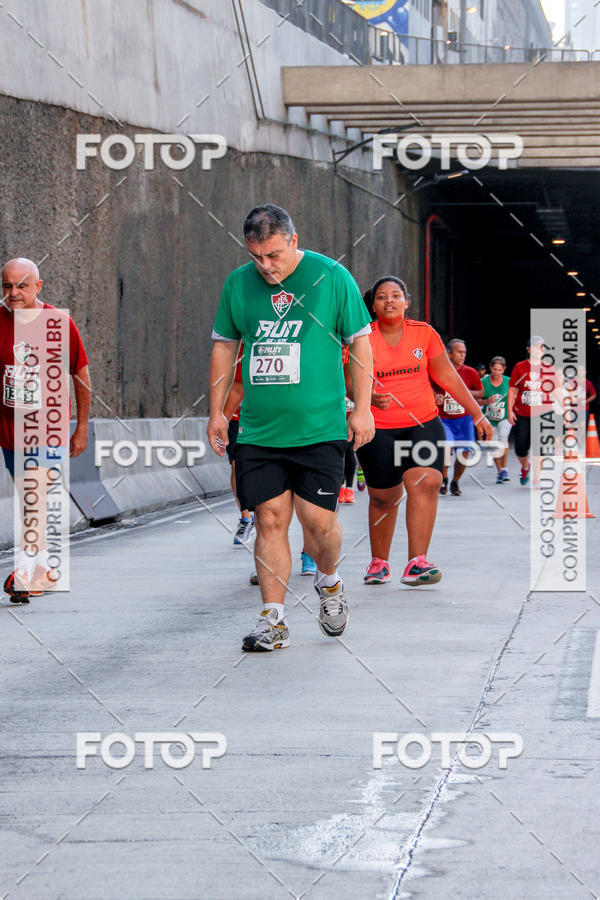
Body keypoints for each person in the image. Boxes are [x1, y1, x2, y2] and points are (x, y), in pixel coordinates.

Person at [207, 205, 374, 651]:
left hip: (320, 426)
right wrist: (217, 410)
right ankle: (273, 618)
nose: (265, 265)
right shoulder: (237, 284)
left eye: (274, 255)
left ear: (294, 242)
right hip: (261, 430)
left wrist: (361, 409)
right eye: (256, 256)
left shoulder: (331, 276)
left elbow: (360, 342)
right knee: (269, 518)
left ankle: (330, 581)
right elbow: (225, 348)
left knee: (318, 522)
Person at [348, 276, 492, 586]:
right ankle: (379, 562)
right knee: (384, 497)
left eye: (396, 295)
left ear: (406, 302)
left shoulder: (423, 334)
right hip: (379, 428)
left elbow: (449, 378)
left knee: (426, 482)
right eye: (382, 297)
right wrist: (367, 397)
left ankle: (417, 562)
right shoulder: (361, 337)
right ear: (372, 305)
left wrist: (478, 413)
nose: (390, 300)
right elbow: (347, 380)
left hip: (423, 423)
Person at [1, 258, 90, 602]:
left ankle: (24, 570)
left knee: (34, 497)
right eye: (7, 286)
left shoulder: (58, 323)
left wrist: (81, 427)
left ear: (38, 287)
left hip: (47, 428)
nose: (13, 293)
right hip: (10, 431)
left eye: (21, 286)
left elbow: (80, 376)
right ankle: (43, 573)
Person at [507, 336, 560, 486]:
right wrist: (510, 410)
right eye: (536, 346)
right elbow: (512, 390)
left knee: (540, 447)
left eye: (542, 347)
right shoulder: (520, 367)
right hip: (522, 412)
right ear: (529, 349)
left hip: (543, 412)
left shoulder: (549, 368)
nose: (539, 349)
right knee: (521, 447)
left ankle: (537, 477)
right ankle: (525, 466)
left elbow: (556, 390)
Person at [435, 339, 484, 496]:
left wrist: (463, 394)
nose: (462, 355)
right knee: (446, 447)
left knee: (464, 453)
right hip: (444, 418)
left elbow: (481, 392)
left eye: (464, 352)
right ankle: (444, 478)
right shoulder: (439, 370)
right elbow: (429, 387)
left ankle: (455, 481)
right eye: (459, 352)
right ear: (449, 353)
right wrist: (436, 396)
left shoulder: (470, 372)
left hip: (464, 419)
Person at [223, 344, 255, 547]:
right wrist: (221, 418)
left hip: (264, 415)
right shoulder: (232, 344)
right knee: (237, 466)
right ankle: (246, 518)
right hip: (237, 416)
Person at [480, 356, 511, 483]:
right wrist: (486, 401)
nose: (496, 372)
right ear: (490, 368)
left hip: (504, 416)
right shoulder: (483, 382)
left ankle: (505, 468)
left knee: (503, 439)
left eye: (499, 370)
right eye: (494, 369)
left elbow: (515, 396)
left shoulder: (509, 382)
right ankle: (500, 471)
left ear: (504, 370)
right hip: (489, 418)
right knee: (493, 445)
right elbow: (474, 398)